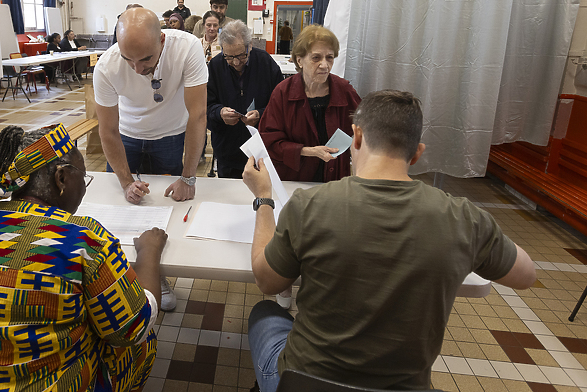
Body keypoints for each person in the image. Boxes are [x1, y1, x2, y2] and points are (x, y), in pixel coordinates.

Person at [242, 90, 537, 392]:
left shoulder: (310, 205)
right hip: (406, 388)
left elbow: (267, 281)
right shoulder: (464, 218)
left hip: (305, 383)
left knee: (266, 313)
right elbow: (526, 275)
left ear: (356, 138)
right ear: (417, 152)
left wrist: (264, 199)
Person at [0, 124, 166, 392]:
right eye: (83, 178)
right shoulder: (84, 239)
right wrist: (149, 252)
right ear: (61, 178)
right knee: (139, 343)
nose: (83, 189)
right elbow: (134, 328)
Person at [93, 8, 207, 311]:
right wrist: (126, 181)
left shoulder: (187, 48)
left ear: (162, 39)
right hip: (125, 135)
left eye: (145, 59)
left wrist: (188, 177)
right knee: (122, 206)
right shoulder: (106, 66)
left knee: (164, 211)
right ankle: (114, 276)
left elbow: (197, 116)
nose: (136, 68)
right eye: (128, 58)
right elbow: (107, 130)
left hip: (170, 135)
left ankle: (157, 274)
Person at [259, 25, 361, 183]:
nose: (324, 65)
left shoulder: (344, 90)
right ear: (299, 60)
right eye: (316, 58)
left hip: (334, 179)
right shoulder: (283, 93)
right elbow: (269, 142)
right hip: (295, 179)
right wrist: (308, 151)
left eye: (330, 57)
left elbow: (363, 127)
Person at [207, 20, 282, 178]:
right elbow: (204, 107)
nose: (235, 63)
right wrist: (219, 113)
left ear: (251, 45)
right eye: (229, 57)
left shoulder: (266, 63)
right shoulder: (214, 67)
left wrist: (261, 114)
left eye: (241, 56)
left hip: (260, 151)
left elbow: (281, 105)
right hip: (227, 151)